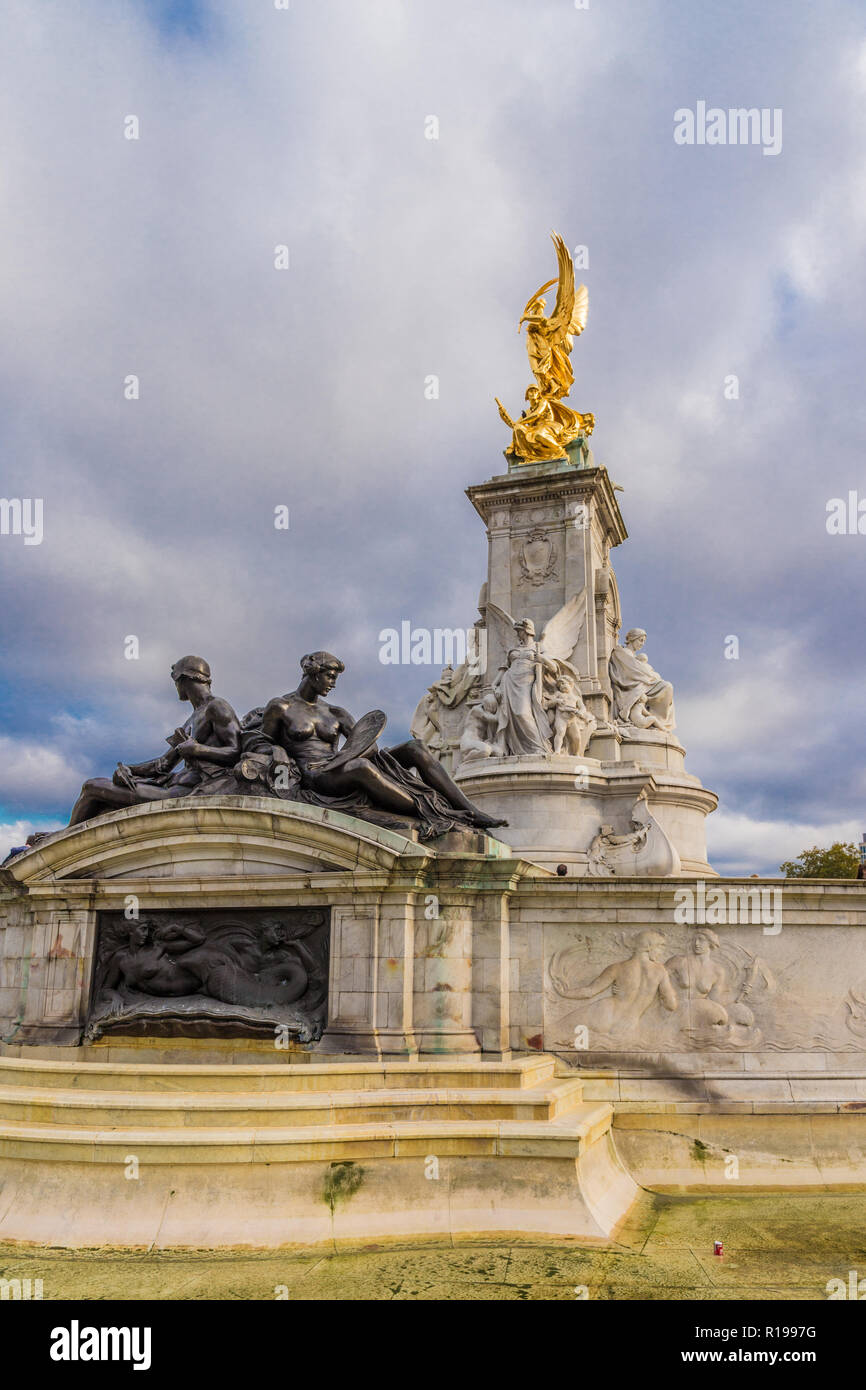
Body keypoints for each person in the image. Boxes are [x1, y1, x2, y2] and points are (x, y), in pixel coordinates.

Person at [260, 651, 506, 838]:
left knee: (415, 747)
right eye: (329, 676)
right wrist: (278, 750)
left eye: (335, 678)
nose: (333, 683)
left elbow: (362, 742)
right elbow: (260, 740)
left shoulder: (335, 712)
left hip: (338, 764)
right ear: (313, 674)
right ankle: (436, 812)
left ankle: (470, 810)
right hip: (315, 774)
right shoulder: (281, 706)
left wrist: (366, 751)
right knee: (360, 767)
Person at [67, 656, 242, 825]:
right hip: (172, 786)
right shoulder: (192, 719)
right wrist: (129, 769)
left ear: (183, 679)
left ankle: (63, 842)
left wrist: (197, 750)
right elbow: (163, 764)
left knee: (92, 788)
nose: (176, 687)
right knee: (95, 792)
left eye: (175, 682)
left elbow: (235, 751)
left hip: (183, 792)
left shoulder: (217, 706)